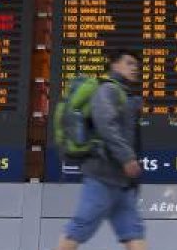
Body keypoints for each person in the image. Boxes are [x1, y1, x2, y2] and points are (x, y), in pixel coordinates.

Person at [57, 49, 146, 250]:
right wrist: (127, 158)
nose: (134, 68)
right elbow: (106, 125)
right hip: (102, 177)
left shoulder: (125, 95)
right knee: (79, 228)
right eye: (129, 63)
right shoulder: (108, 90)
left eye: (136, 65)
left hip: (122, 183)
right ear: (114, 65)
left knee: (134, 233)